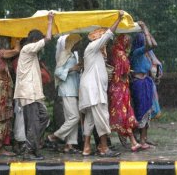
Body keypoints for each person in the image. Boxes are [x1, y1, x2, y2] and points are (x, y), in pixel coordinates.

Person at [79, 10, 124, 157]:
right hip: (94, 90)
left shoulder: (95, 52)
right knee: (102, 117)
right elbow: (108, 35)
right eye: (100, 35)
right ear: (95, 38)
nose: (103, 38)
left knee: (91, 120)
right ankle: (103, 148)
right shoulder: (92, 47)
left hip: (92, 89)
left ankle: (86, 147)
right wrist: (119, 19)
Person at [13, 12, 54, 160]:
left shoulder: (31, 53)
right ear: (35, 40)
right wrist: (50, 21)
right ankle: (29, 151)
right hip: (28, 93)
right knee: (34, 121)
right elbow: (48, 38)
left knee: (43, 118)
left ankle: (32, 146)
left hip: (33, 93)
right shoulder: (28, 48)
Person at [47, 34, 82, 153]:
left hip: (73, 90)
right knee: (75, 117)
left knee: (70, 118)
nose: (79, 45)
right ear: (72, 43)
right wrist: (73, 69)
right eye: (77, 43)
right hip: (67, 90)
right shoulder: (64, 54)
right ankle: (54, 136)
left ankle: (69, 145)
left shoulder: (72, 55)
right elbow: (57, 72)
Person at [108, 34, 141, 152]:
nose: (128, 44)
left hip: (114, 87)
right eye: (127, 42)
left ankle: (130, 141)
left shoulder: (113, 52)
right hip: (121, 88)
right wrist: (128, 72)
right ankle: (132, 141)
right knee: (123, 115)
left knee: (120, 114)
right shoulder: (121, 54)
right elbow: (123, 72)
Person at [130, 21, 157, 149]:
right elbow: (151, 45)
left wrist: (146, 31)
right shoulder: (136, 53)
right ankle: (139, 140)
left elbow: (153, 44)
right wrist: (145, 28)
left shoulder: (145, 54)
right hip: (139, 84)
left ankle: (143, 140)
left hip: (146, 83)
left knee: (147, 112)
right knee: (141, 112)